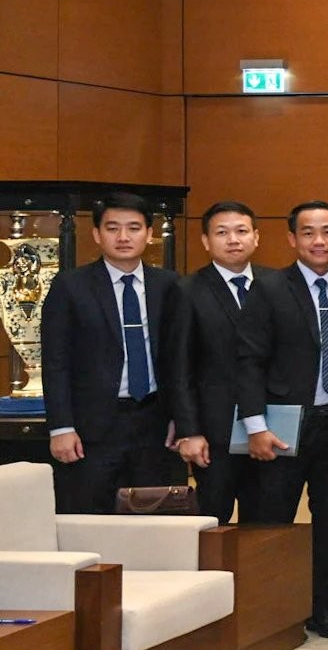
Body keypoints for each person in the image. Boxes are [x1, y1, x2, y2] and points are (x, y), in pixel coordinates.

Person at [234, 200, 328, 638]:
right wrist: (255, 426)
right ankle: (267, 613)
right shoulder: (270, 289)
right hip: (282, 425)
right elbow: (249, 361)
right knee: (271, 520)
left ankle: (322, 608)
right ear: (292, 239)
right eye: (308, 233)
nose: (319, 241)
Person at [42, 193, 190, 514]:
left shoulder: (169, 285)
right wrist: (61, 427)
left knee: (156, 522)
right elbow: (55, 362)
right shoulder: (70, 286)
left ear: (149, 234)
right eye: (113, 228)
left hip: (155, 425)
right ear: (97, 234)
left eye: (134, 228)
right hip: (92, 429)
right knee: (88, 520)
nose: (123, 237)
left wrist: (182, 417)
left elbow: (179, 359)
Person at [174, 201, 262, 525]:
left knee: (266, 523)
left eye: (241, 231)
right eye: (222, 233)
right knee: (213, 523)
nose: (233, 240)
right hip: (214, 432)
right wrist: (189, 430)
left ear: (256, 237)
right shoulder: (186, 291)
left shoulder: (276, 284)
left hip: (269, 428)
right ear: (205, 241)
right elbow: (179, 368)